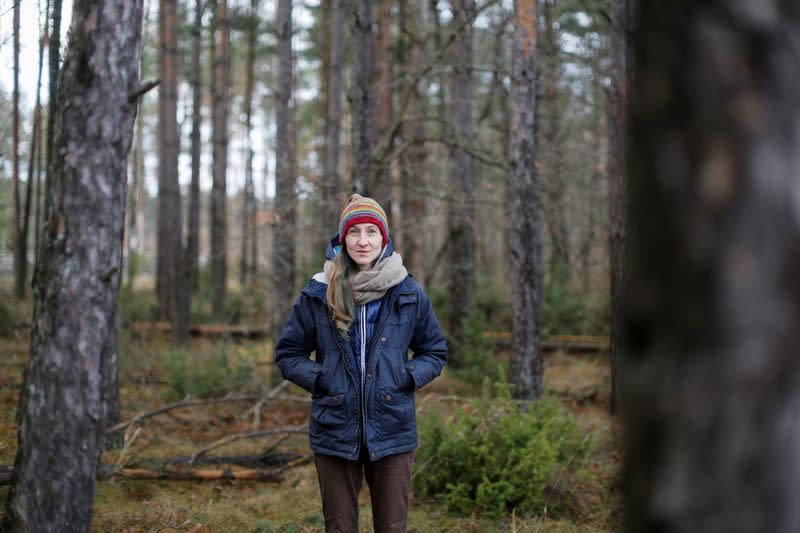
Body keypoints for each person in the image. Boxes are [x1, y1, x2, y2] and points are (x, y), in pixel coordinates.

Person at [275, 194, 447, 533]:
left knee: (392, 527)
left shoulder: (408, 292)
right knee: (339, 528)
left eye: (371, 231)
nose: (363, 240)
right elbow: (288, 354)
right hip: (335, 429)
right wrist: (320, 377)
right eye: (354, 232)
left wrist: (406, 375)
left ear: (384, 237)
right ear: (343, 239)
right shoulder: (318, 292)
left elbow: (435, 351)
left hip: (393, 429)